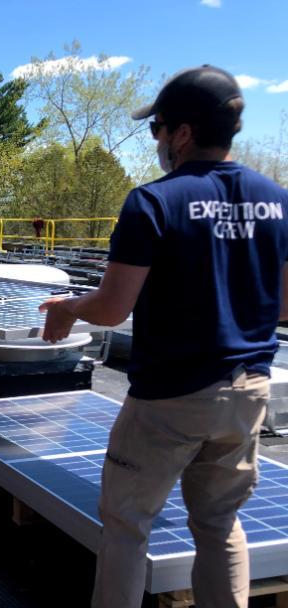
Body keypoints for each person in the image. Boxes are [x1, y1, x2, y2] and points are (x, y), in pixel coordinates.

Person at [40, 66, 288, 608]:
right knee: (219, 522)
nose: (155, 139)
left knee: (127, 525)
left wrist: (67, 309)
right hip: (247, 390)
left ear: (182, 133)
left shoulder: (153, 202)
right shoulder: (277, 200)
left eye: (157, 128)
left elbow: (112, 308)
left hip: (171, 396)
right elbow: (285, 304)